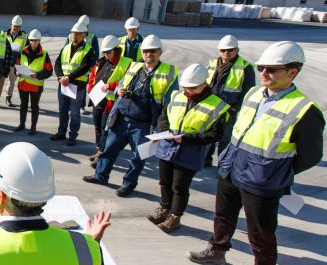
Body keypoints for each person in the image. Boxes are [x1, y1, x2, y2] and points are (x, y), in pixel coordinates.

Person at [188, 41, 324, 265]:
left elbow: (310, 156)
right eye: (262, 67)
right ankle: (217, 249)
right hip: (231, 168)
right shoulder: (253, 94)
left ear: (293, 72)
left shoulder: (304, 111)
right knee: (223, 215)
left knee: (261, 237)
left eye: (272, 70)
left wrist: (275, 172)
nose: (264, 73)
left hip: (262, 181)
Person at [83, 35, 178, 197]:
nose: (149, 54)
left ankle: (128, 184)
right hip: (122, 118)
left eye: (153, 51)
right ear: (142, 52)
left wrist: (160, 128)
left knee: (138, 157)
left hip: (144, 123)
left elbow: (170, 103)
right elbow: (121, 84)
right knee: (108, 150)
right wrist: (118, 90)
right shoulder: (135, 67)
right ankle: (100, 176)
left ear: (160, 52)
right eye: (146, 51)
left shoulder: (168, 72)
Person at [150, 64, 230, 233]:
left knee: (179, 186)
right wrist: (166, 130)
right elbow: (164, 115)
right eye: (185, 87)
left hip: (190, 151)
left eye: (193, 88)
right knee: (165, 182)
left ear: (205, 84)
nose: (188, 91)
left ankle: (175, 216)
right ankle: (165, 208)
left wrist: (186, 139)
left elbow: (216, 135)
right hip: (168, 146)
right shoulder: (178, 96)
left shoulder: (217, 106)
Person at [204, 35, 255, 166]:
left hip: (229, 109)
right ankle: (206, 159)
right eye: (223, 50)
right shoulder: (212, 64)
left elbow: (248, 90)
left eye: (230, 50)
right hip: (211, 106)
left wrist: (236, 107)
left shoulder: (245, 67)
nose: (226, 52)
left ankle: (222, 164)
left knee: (224, 138)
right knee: (208, 134)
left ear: (237, 50)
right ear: (219, 50)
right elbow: (205, 84)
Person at [86, 35, 131, 167]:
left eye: (108, 52)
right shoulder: (100, 62)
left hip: (111, 103)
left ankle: (101, 155)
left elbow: (127, 81)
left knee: (106, 129)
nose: (105, 55)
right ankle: (99, 150)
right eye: (104, 52)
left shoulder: (126, 63)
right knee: (97, 127)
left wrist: (110, 86)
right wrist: (90, 90)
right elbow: (92, 78)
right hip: (97, 100)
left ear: (116, 50)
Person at [52, 20, 95, 146]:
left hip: (77, 86)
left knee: (75, 113)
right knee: (62, 110)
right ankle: (61, 132)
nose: (74, 36)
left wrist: (68, 78)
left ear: (83, 35)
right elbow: (57, 64)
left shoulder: (88, 50)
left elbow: (85, 67)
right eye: (73, 34)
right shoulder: (65, 48)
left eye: (78, 34)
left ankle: (72, 136)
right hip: (64, 84)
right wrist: (60, 76)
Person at [13, 29, 53, 135]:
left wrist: (38, 75)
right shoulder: (23, 52)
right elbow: (16, 66)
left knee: (34, 107)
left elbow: (49, 71)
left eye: (35, 40)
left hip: (36, 86)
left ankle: (33, 127)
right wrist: (17, 72)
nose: (33, 42)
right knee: (23, 105)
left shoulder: (44, 54)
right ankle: (22, 125)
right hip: (23, 83)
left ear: (39, 41)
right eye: (31, 40)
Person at [4, 15, 27, 107]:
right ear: (11, 25)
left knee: (11, 82)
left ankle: (8, 98)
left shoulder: (25, 36)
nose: (16, 29)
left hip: (15, 63)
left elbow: (27, 50)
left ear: (20, 27)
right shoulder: (3, 34)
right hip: (4, 63)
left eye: (18, 27)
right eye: (14, 26)